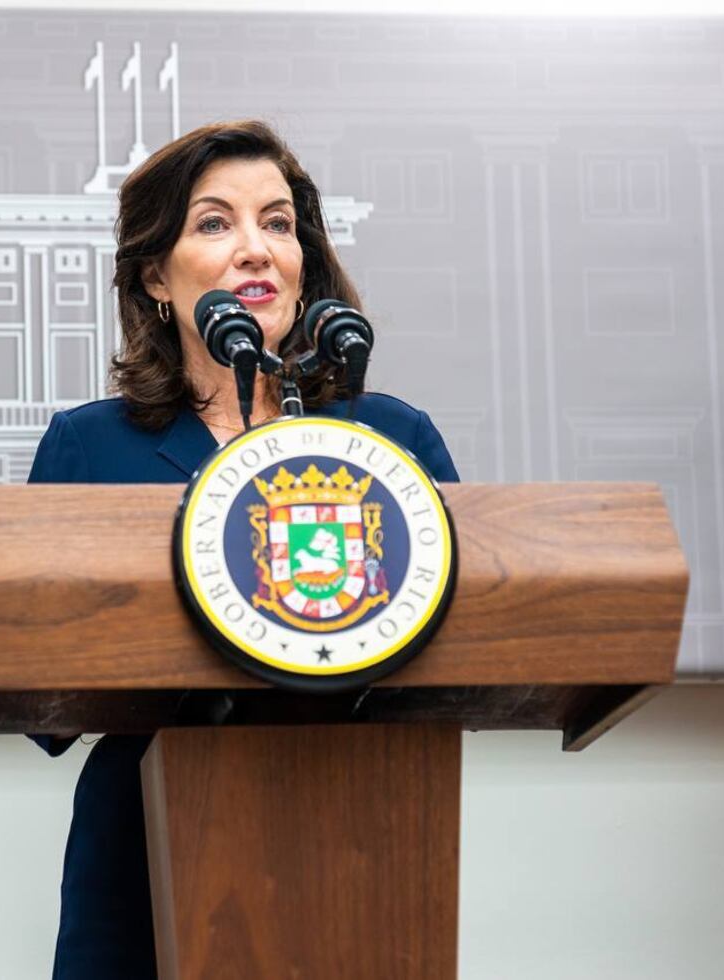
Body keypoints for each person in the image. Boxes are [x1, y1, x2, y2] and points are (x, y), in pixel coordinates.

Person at [28, 120, 458, 980]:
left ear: (306, 263)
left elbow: (464, 641)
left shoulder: (392, 437)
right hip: (144, 848)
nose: (256, 250)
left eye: (278, 223)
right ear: (156, 273)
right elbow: (41, 691)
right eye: (215, 223)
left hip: (363, 840)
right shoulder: (89, 446)